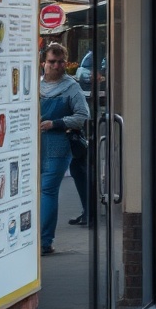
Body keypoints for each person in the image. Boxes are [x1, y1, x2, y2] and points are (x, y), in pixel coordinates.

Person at [39, 43, 91, 255]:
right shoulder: (34, 85)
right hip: (34, 145)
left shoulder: (72, 87)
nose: (56, 66)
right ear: (44, 63)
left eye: (61, 62)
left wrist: (56, 123)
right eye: (52, 62)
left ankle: (44, 241)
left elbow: (82, 115)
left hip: (59, 145)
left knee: (47, 190)